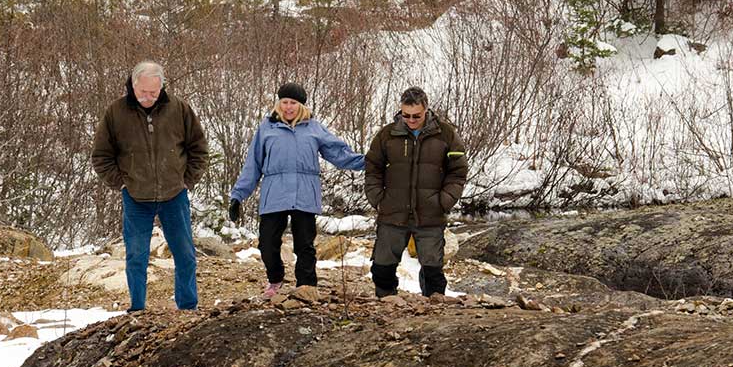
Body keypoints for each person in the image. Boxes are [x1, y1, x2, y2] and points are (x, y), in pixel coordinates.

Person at [91, 60, 209, 312]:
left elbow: (199, 149)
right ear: (133, 86)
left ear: (161, 87)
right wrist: (121, 183)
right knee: (136, 256)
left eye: (153, 93)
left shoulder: (179, 109)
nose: (148, 97)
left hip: (174, 194)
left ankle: (188, 307)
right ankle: (137, 308)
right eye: (143, 92)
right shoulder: (116, 112)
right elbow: (101, 156)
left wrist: (187, 181)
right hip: (135, 196)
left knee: (185, 255)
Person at [229, 82, 365, 296]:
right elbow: (253, 164)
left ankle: (306, 286)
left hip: (304, 192)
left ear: (301, 105)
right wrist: (238, 196)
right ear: (278, 103)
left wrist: (368, 161)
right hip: (274, 192)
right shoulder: (267, 128)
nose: (288, 107)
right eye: (284, 102)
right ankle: (275, 279)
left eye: (293, 103)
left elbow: (338, 153)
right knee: (267, 243)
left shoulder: (313, 128)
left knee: (304, 244)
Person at [364, 86, 468, 298]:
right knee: (382, 268)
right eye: (406, 115)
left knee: (433, 271)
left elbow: (458, 171)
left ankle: (433, 307)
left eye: (416, 116)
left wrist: (445, 200)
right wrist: (378, 199)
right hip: (392, 212)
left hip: (431, 213)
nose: (411, 120)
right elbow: (372, 168)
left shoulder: (446, 134)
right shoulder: (387, 135)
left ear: (426, 110)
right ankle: (386, 304)